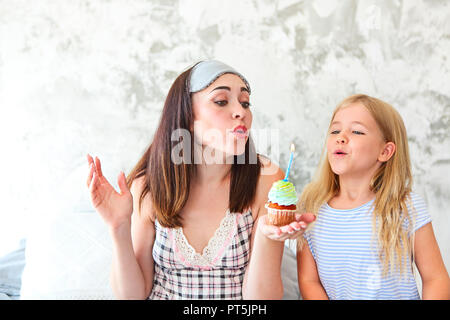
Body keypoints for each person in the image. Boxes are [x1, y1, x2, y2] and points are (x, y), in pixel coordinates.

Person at [86, 60, 315, 299]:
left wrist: (269, 237)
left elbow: (260, 301)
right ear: (187, 116)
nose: (241, 112)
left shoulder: (267, 180)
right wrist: (119, 227)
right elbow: (131, 296)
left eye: (245, 103)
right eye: (221, 101)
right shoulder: (148, 185)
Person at [297, 94, 450, 300]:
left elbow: (435, 278)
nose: (340, 137)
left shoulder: (405, 206)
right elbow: (309, 281)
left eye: (357, 131)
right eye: (335, 130)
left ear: (385, 151)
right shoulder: (311, 208)